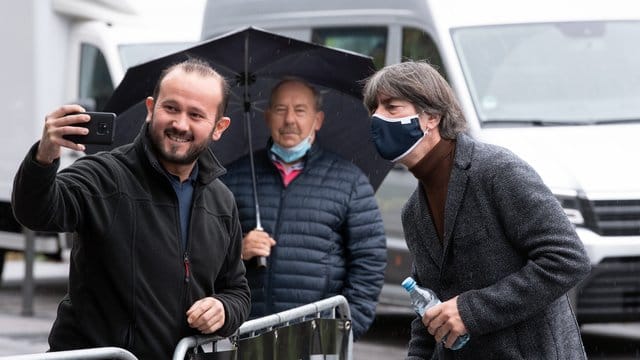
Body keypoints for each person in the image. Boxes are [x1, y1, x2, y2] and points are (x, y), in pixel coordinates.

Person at [11, 58, 250, 359]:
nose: (180, 124)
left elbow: (237, 290)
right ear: (151, 108)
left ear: (219, 127)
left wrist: (224, 309)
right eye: (171, 108)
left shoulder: (222, 201)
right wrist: (43, 157)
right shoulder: (105, 175)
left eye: (196, 115)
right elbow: (36, 212)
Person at [362, 61, 591, 359]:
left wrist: (471, 311)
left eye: (391, 107)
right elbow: (428, 316)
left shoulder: (497, 171)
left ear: (431, 116)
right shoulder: (413, 212)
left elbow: (568, 259)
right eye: (374, 110)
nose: (378, 118)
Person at [221, 78, 387, 341]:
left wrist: (343, 329)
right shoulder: (233, 178)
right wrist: (237, 251)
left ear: (317, 120)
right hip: (246, 335)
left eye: (300, 110)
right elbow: (203, 253)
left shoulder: (349, 181)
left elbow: (369, 262)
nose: (289, 119)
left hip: (316, 337)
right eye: (280, 109)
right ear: (267, 117)